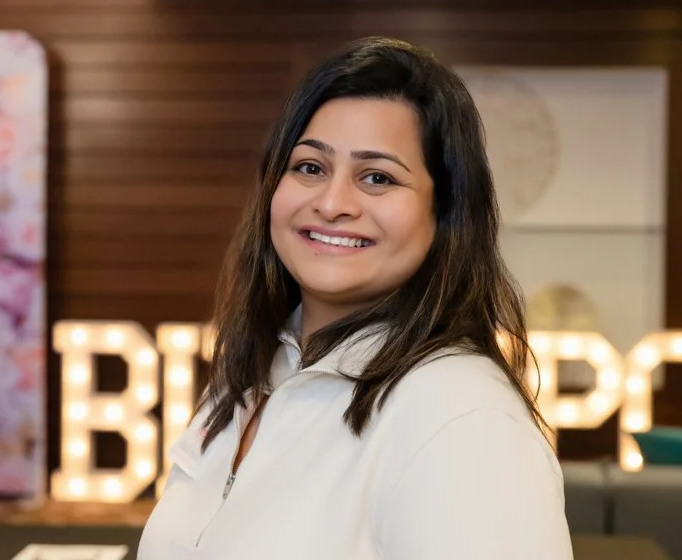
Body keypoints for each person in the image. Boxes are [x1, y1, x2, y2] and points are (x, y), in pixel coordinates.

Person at [137, 36, 573, 559]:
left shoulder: (462, 416)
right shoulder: (255, 371)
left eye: (377, 177)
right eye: (310, 168)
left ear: (446, 215)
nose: (332, 203)